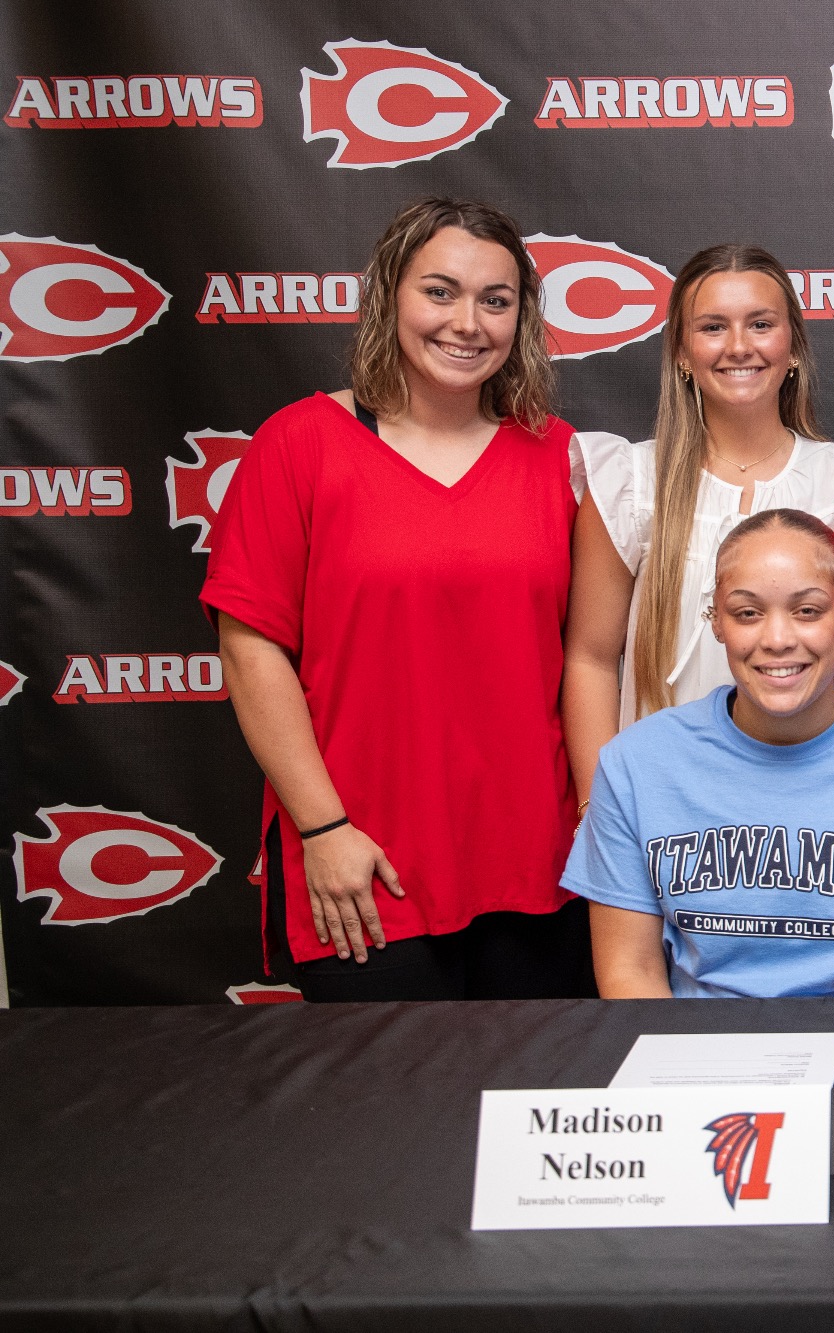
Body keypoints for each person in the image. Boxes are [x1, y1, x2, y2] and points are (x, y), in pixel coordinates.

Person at [204, 197, 591, 1001]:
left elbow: (591, 656)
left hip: (538, 868)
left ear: (522, 317)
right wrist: (322, 827)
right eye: (440, 291)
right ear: (390, 297)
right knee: (390, 1120)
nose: (468, 322)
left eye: (496, 299)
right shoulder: (300, 444)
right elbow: (250, 648)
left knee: (527, 1110)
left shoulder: (560, 454)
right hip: (365, 863)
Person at [566, 509, 834, 998]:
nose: (777, 640)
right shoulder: (635, 765)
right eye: (747, 613)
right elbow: (630, 976)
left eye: (807, 610)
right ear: (716, 621)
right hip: (691, 1058)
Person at [563, 244, 834, 810]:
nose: (738, 346)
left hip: (818, 800)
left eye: (760, 324)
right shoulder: (631, 479)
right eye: (712, 327)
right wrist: (596, 810)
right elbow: (591, 657)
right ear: (682, 352)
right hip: (662, 800)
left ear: (793, 346)